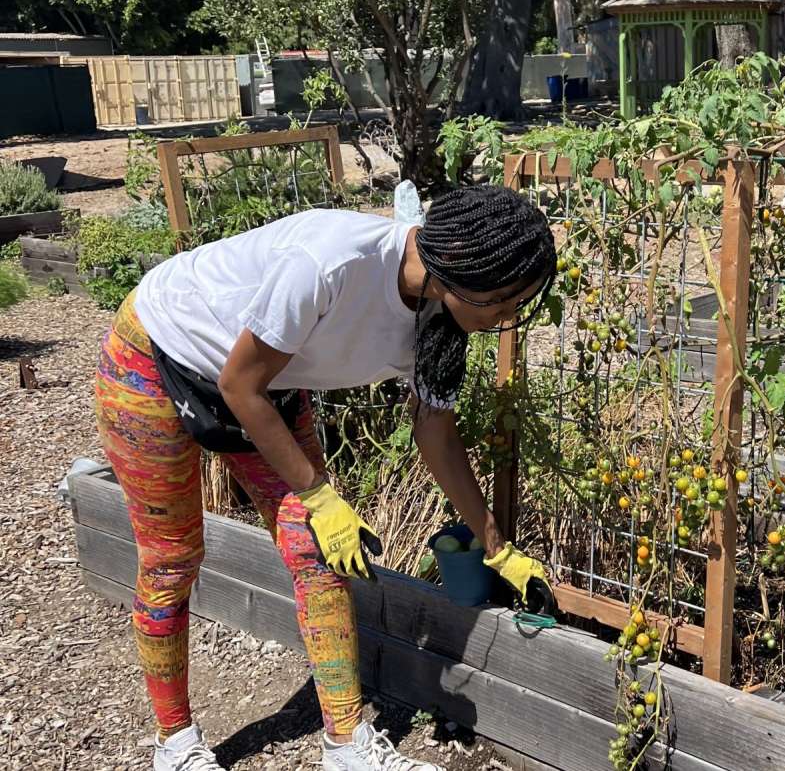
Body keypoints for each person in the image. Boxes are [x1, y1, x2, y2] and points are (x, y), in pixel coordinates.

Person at [94, 185, 557, 771]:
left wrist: (497, 549)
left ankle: (345, 742)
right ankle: (175, 741)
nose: (509, 317)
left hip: (269, 385)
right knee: (172, 557)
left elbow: (435, 433)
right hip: (157, 357)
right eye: (504, 301)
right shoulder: (331, 263)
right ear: (461, 266)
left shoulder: (440, 320)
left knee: (318, 549)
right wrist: (318, 494)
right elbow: (240, 386)